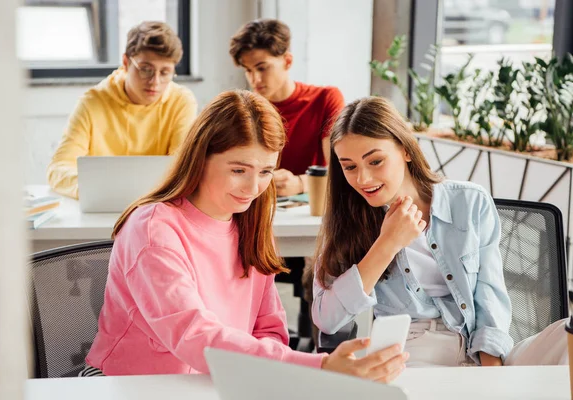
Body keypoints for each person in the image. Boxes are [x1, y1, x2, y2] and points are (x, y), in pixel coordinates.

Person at [79, 90, 408, 382]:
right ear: (201, 158)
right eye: (239, 170)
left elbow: (270, 331)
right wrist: (318, 366)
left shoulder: (249, 222)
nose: (253, 189)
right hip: (131, 384)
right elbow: (194, 336)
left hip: (219, 380)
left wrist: (264, 377)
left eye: (265, 171)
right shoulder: (153, 229)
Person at [312, 96, 568, 367]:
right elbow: (326, 319)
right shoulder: (348, 221)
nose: (362, 179)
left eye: (375, 161)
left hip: (479, 349)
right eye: (350, 166)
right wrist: (387, 243)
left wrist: (491, 371)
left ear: (406, 151)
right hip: (413, 354)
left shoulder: (470, 202)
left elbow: (490, 293)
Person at [47, 21, 198, 199]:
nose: (155, 82)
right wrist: (92, 190)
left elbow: (181, 169)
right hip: (101, 205)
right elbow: (58, 169)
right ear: (126, 62)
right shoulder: (92, 103)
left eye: (165, 72)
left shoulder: (181, 101)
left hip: (156, 208)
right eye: (145, 70)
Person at [229, 18, 344, 197]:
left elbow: (341, 169)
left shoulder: (325, 99)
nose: (254, 80)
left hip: (309, 208)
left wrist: (301, 183)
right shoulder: (244, 109)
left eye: (262, 68)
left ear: (287, 61)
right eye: (248, 70)